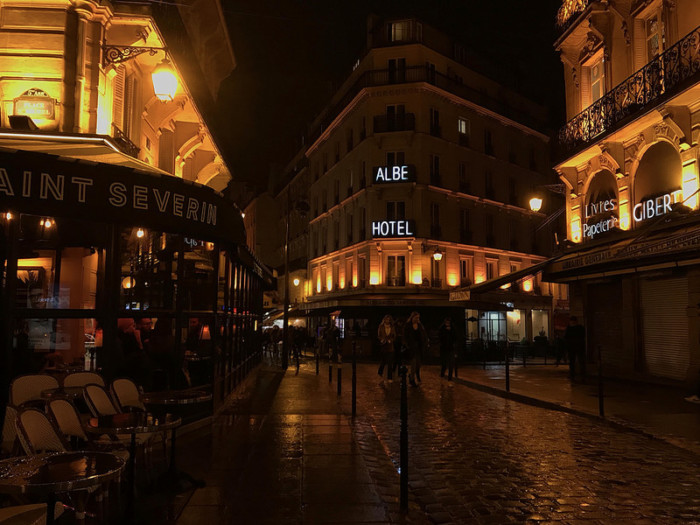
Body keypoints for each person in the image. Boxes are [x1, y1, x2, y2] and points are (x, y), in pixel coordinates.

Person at [403, 311, 428, 387]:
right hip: (412, 347)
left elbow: (424, 335)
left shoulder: (420, 326)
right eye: (416, 317)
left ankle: (414, 375)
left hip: (419, 347)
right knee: (413, 364)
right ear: (412, 317)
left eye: (418, 318)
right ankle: (412, 379)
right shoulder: (408, 326)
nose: (417, 319)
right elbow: (405, 336)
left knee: (418, 364)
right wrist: (407, 345)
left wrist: (425, 343)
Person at [564, 316, 586, 380]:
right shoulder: (580, 328)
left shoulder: (569, 328)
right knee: (579, 361)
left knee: (573, 361)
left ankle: (573, 374)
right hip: (578, 346)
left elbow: (566, 337)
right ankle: (581, 374)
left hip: (573, 347)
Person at [377, 315, 396, 383]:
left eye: (389, 319)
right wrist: (382, 340)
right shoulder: (381, 326)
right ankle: (380, 373)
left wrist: (391, 340)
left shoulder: (392, 327)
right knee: (383, 362)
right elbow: (379, 335)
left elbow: (394, 336)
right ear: (384, 320)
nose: (387, 321)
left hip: (390, 346)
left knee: (390, 363)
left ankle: (389, 377)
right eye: (386, 319)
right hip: (383, 346)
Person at [439, 317, 456, 382]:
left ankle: (450, 378)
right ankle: (442, 375)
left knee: (451, 364)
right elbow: (441, 337)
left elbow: (455, 337)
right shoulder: (442, 329)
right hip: (444, 348)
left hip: (451, 348)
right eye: (446, 322)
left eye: (448, 322)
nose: (447, 324)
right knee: (444, 364)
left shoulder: (453, 329)